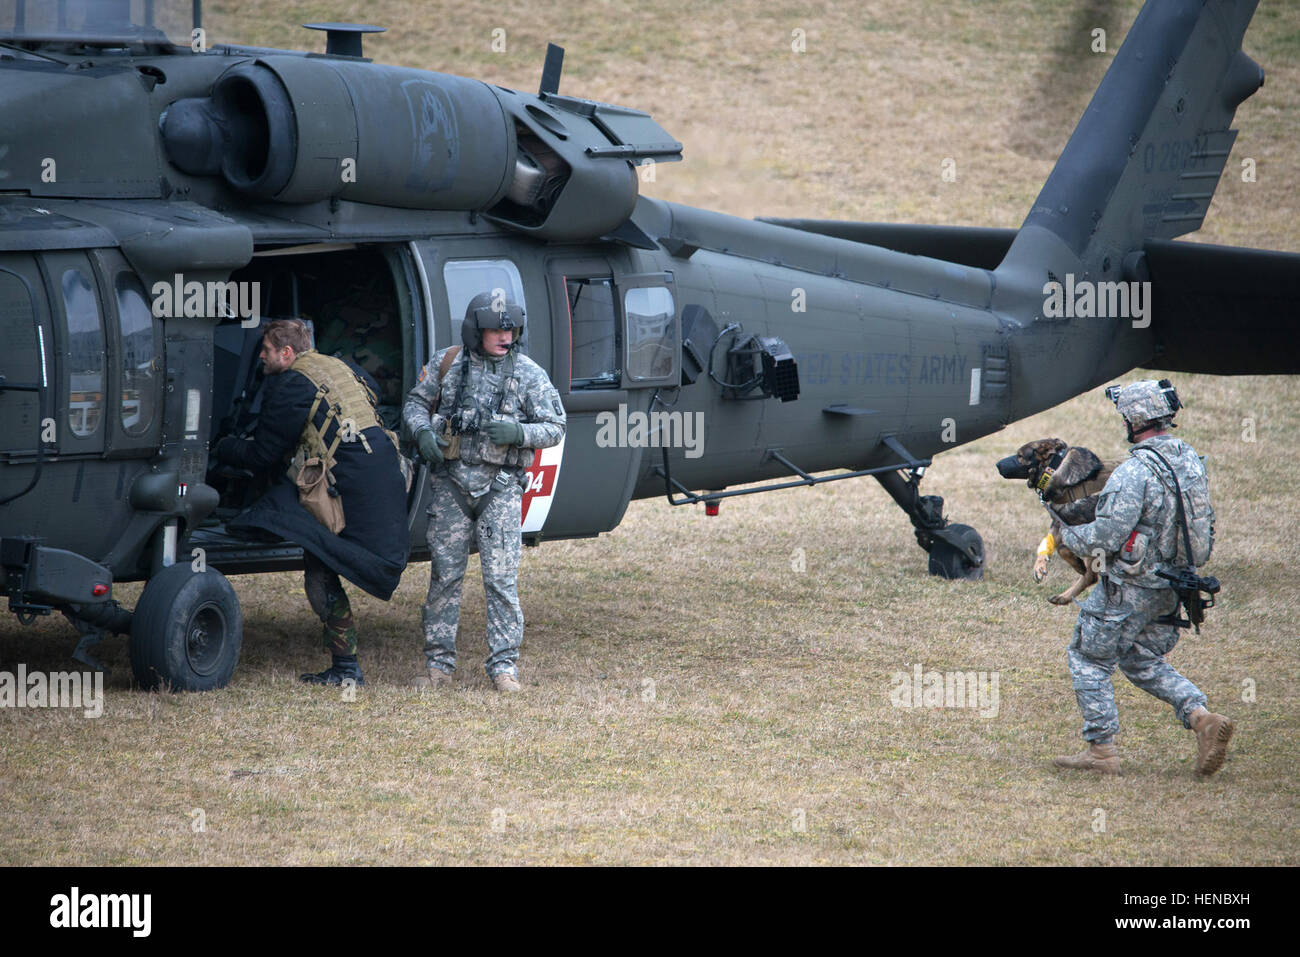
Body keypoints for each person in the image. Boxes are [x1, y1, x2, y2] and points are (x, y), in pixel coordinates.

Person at [214, 318, 409, 686]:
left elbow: (264, 454)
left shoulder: (291, 383)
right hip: (381, 475)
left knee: (319, 562)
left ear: (287, 353)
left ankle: (346, 667)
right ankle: (345, 665)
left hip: (348, 489)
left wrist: (223, 447)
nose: (262, 357)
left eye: (267, 350)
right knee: (319, 553)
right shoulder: (337, 366)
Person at [1052, 379, 1232, 776]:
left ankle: (1101, 753)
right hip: (1175, 585)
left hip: (1131, 588)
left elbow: (1106, 536)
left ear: (1134, 420)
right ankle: (1202, 718)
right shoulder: (1189, 461)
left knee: (1088, 657)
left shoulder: (1134, 473)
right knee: (1139, 657)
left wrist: (1066, 533)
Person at [403, 292, 565, 692]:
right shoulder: (447, 363)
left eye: (510, 329)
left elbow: (556, 426)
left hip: (502, 487)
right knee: (444, 577)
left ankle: (504, 668)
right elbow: (413, 404)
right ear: (476, 330)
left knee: (501, 580)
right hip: (451, 485)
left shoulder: (529, 374)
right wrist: (422, 432)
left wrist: (520, 432)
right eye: (495, 329)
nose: (504, 336)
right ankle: (438, 666)